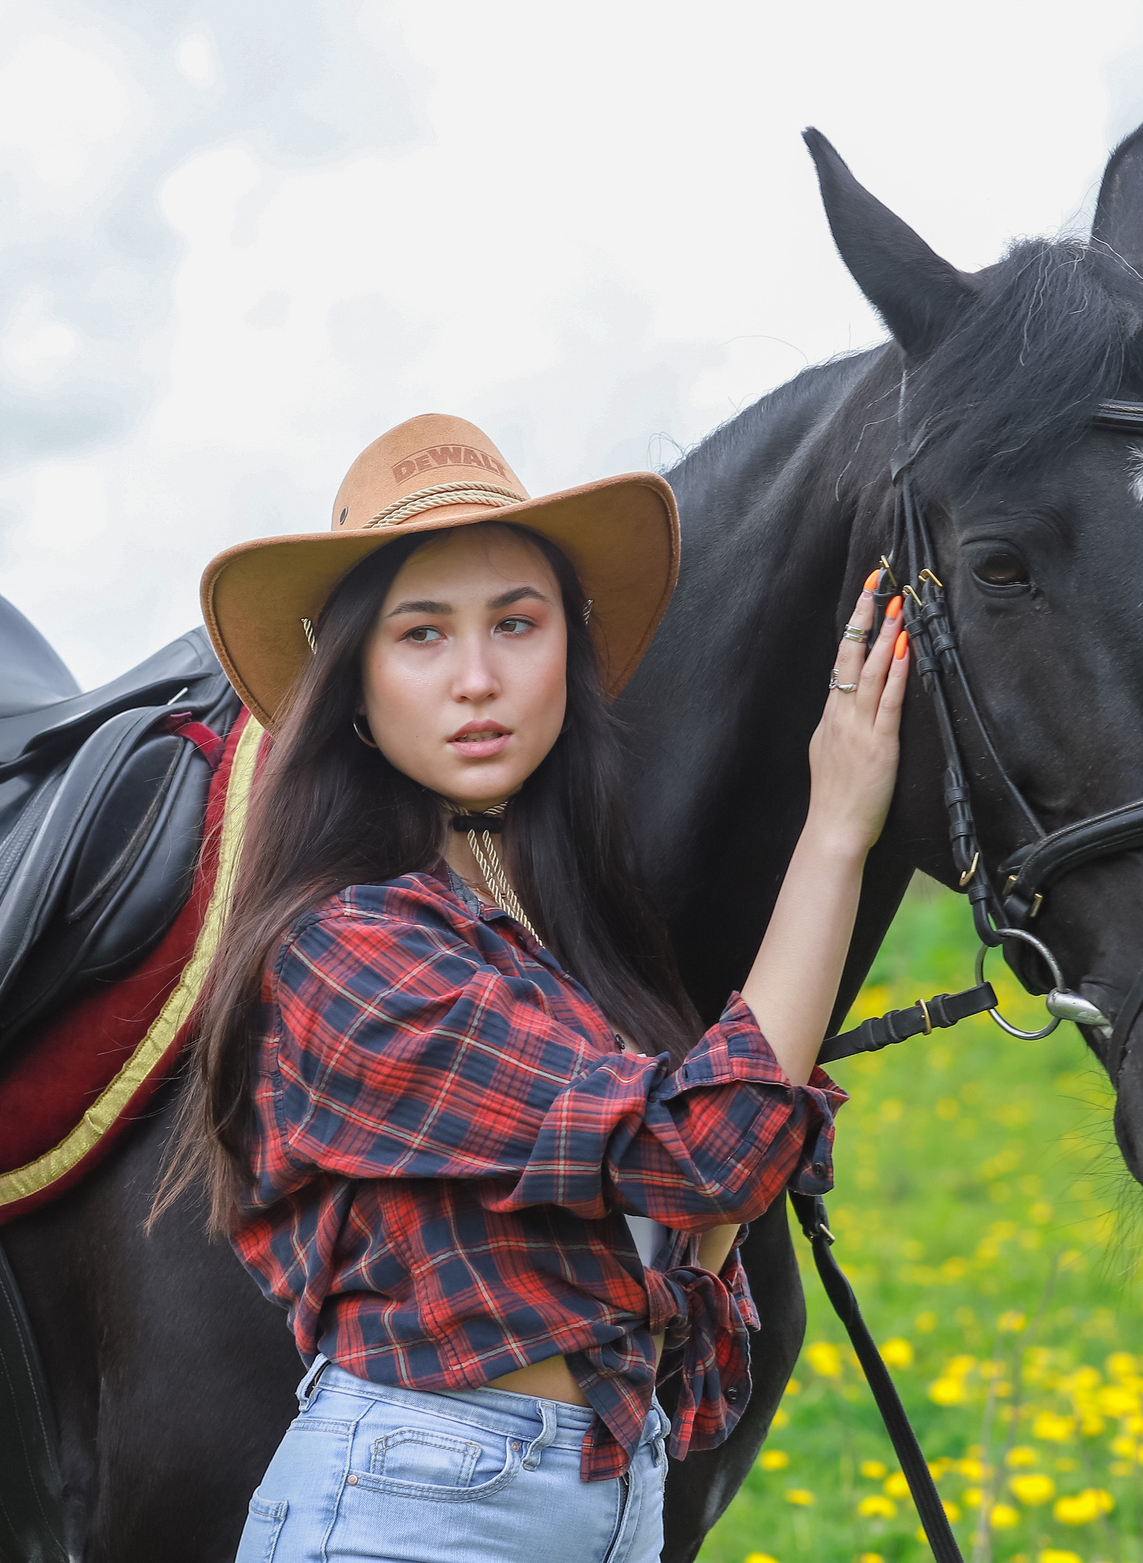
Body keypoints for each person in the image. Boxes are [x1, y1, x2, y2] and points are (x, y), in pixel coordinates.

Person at [171, 413, 909, 1563]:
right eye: (421, 635)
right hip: (414, 1515)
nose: (477, 680)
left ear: (569, 649)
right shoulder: (348, 952)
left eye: (516, 623)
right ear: (355, 690)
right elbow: (703, 1158)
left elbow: (693, 1228)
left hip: (596, 1508)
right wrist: (835, 831)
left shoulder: (558, 954)